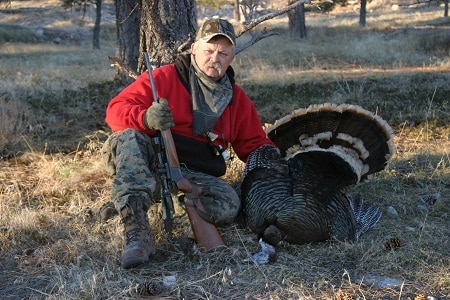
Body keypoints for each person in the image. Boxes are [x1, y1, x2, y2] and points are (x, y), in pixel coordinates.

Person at [101, 17, 276, 269]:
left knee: (228, 205)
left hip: (193, 172)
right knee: (129, 136)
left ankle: (140, 201)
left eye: (223, 53)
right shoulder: (164, 77)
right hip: (150, 159)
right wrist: (145, 118)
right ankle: (137, 233)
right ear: (194, 49)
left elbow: (254, 144)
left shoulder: (236, 99)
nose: (215, 58)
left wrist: (279, 162)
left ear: (232, 58)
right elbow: (115, 110)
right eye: (209, 50)